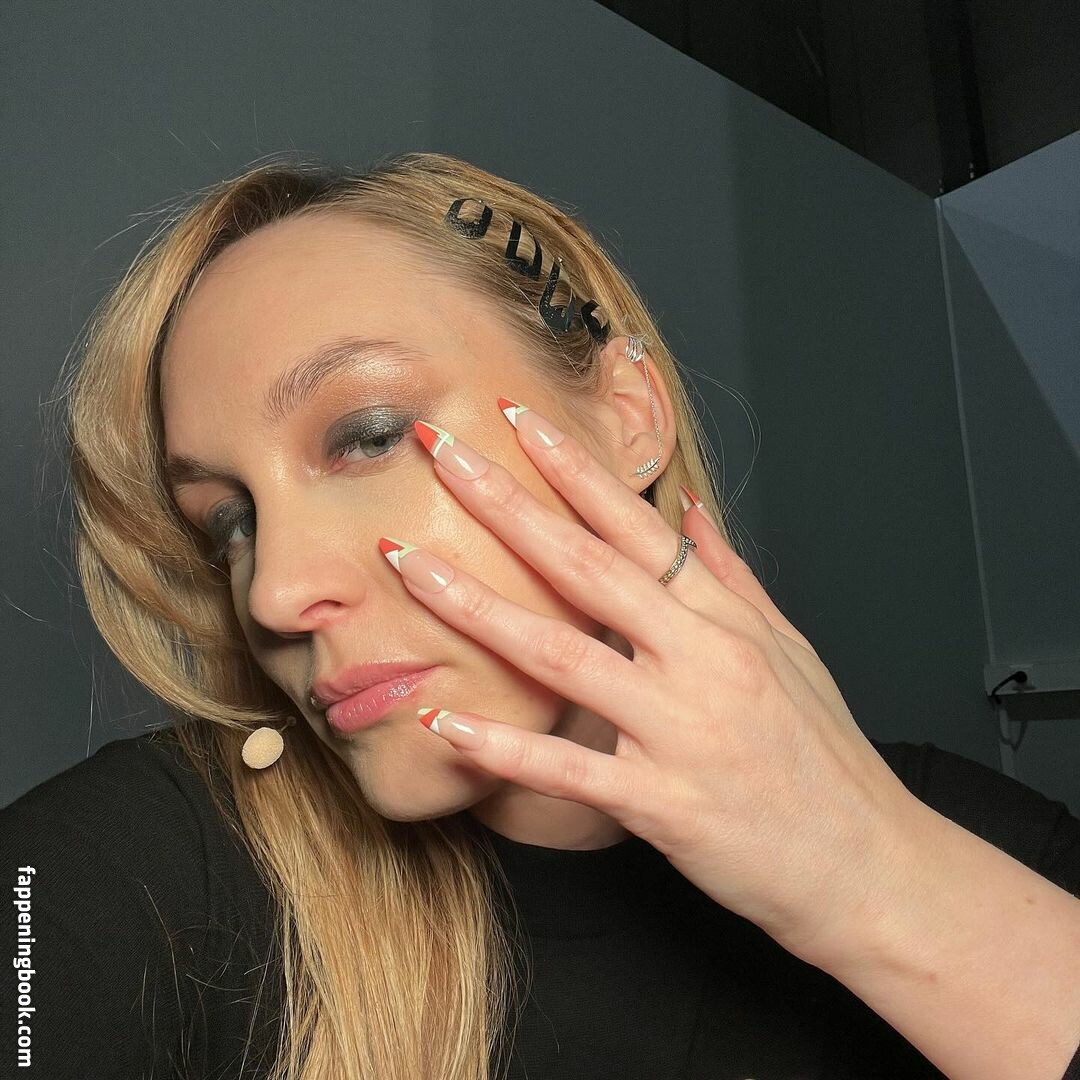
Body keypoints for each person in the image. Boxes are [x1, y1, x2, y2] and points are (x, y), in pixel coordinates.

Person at [2, 151, 1078, 1080]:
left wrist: (873, 878)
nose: (276, 592)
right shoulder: (133, 876)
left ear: (627, 419)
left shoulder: (983, 844)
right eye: (228, 522)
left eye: (368, 435)